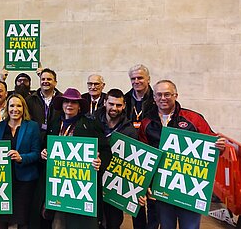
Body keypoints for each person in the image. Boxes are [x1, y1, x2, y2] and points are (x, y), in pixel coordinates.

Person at [138, 80, 226, 229]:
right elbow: (144, 156)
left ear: (176, 95)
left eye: (167, 94)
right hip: (162, 188)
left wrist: (220, 146)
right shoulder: (146, 123)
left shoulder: (193, 118)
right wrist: (146, 185)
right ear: (154, 97)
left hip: (189, 188)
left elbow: (212, 145)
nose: (163, 98)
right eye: (159, 94)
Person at [39, 88, 107, 229]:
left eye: (73, 102)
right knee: (58, 224)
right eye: (66, 101)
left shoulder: (90, 124)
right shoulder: (55, 124)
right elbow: (45, 145)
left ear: (79, 106)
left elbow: (105, 150)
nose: (69, 105)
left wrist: (100, 162)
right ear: (62, 104)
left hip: (81, 186)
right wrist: (44, 153)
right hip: (59, 186)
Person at [92, 88, 139, 229]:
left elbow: (133, 161)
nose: (114, 108)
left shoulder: (129, 130)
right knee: (94, 221)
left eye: (118, 105)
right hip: (94, 179)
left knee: (113, 222)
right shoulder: (91, 121)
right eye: (111, 104)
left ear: (124, 105)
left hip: (116, 183)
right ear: (105, 102)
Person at [0, 94, 41, 229]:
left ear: (23, 108)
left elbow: (36, 153)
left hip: (25, 181)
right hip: (3, 181)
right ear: (7, 108)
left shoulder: (32, 126)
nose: (15, 109)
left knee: (23, 221)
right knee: (1, 221)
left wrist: (22, 158)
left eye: (19, 105)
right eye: (12, 105)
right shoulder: (0, 126)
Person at [124, 64, 158, 229]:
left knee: (153, 198)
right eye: (133, 78)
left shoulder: (157, 99)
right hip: (132, 154)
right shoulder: (125, 99)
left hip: (152, 153)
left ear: (148, 79)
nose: (136, 81)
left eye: (140, 78)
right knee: (135, 197)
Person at [26, 68, 62, 142]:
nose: (45, 81)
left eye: (49, 79)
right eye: (43, 79)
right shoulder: (30, 99)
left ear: (55, 82)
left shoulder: (62, 99)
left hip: (55, 138)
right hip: (35, 138)